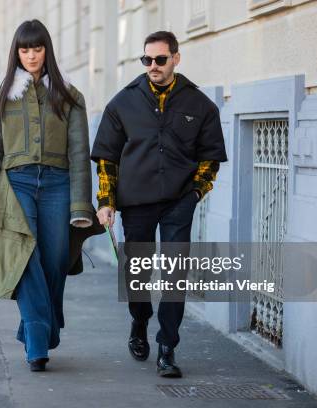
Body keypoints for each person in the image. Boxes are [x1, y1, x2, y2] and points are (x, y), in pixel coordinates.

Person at [91, 31, 228, 378]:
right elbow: (106, 158)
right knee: (136, 274)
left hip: (179, 202)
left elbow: (210, 159)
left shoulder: (200, 106)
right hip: (135, 203)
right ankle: (140, 321)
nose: (153, 66)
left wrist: (196, 193)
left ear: (176, 59)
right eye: (147, 60)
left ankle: (168, 348)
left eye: (160, 60)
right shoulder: (122, 103)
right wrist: (106, 201)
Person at [0, 19, 99, 372]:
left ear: (47, 51)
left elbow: (79, 153)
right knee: (26, 258)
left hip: (59, 184)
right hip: (17, 186)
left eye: (37, 48)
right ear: (16, 52)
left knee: (56, 260)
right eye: (24, 49)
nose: (31, 55)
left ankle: (33, 328)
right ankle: (39, 342)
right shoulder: (1, 96)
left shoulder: (71, 96)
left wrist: (80, 204)